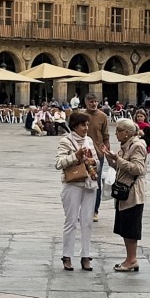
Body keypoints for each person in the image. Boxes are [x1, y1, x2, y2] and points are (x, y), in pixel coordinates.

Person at [57, 110, 99, 270]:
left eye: (87, 124)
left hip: (89, 183)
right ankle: (67, 255)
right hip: (73, 183)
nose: (86, 128)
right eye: (83, 125)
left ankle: (85, 256)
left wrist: (92, 160)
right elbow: (59, 163)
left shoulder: (88, 140)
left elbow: (96, 162)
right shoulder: (66, 141)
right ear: (74, 126)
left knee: (87, 222)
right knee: (71, 220)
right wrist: (75, 156)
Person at [109, 116, 148, 271]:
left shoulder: (137, 146)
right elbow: (119, 165)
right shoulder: (126, 145)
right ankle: (130, 258)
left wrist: (118, 159)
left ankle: (132, 260)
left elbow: (138, 169)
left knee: (131, 226)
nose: (116, 134)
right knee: (125, 226)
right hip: (124, 191)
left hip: (133, 192)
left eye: (118, 130)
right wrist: (110, 157)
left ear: (126, 132)